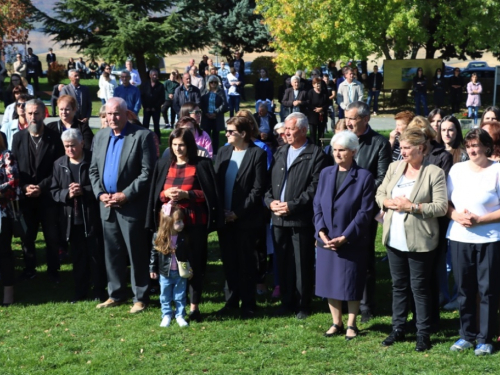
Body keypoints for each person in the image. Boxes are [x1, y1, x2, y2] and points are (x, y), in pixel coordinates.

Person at [376, 127, 448, 352]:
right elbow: (380, 193)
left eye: (407, 148)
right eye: (401, 147)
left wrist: (413, 207)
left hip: (421, 240)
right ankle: (398, 328)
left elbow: (441, 206)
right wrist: (388, 203)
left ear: (421, 148)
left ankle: (422, 333)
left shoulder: (433, 173)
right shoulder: (394, 167)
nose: (402, 151)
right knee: (399, 286)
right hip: (394, 237)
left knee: (420, 288)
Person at [89, 97, 157, 313]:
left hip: (131, 206)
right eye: (109, 114)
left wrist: (125, 195)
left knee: (136, 252)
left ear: (126, 113)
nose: (112, 118)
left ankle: (140, 297)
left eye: (117, 113)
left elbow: (148, 172)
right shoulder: (100, 137)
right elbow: (93, 170)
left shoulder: (142, 136)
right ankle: (116, 294)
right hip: (107, 206)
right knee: (112, 252)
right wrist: (100, 194)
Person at [146, 128, 222, 322]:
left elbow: (211, 195)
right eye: (174, 144)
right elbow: (156, 194)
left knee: (194, 263)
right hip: (169, 223)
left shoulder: (202, 165)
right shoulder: (164, 164)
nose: (178, 148)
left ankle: (194, 306)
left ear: (190, 145)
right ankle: (171, 308)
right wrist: (166, 194)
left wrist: (187, 194)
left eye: (182, 144)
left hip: (195, 222)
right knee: (171, 266)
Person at [264, 112, 328, 319]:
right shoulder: (280, 152)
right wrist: (270, 202)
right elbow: (268, 184)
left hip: (300, 219)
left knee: (302, 263)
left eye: (290, 129)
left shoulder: (316, 154)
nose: (286, 132)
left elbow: (315, 188)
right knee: (281, 262)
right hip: (278, 218)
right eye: (285, 129)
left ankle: (303, 304)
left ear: (302, 129)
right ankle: (286, 301)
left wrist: (292, 206)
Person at [314, 131, 375, 340]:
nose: (337, 154)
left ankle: (351, 324)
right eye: (335, 150)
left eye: (342, 150)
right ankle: (335, 322)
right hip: (326, 239)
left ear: (354, 152)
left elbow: (365, 212)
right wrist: (320, 230)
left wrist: (346, 236)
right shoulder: (326, 173)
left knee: (351, 281)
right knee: (329, 280)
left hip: (351, 240)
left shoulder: (364, 177)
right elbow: (318, 204)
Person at [447, 129, 500, 356]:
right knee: (464, 289)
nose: (472, 150)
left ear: (487, 147)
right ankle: (466, 335)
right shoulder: (457, 169)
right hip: (459, 237)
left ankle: (485, 338)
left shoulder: (497, 170)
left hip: (490, 238)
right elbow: (446, 202)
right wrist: (456, 216)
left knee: (487, 289)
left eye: (476, 145)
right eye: (469, 146)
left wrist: (480, 219)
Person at [214, 116, 268, 319]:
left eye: (230, 131)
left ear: (243, 134)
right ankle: (231, 301)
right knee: (229, 261)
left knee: (246, 261)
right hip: (224, 218)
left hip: (245, 219)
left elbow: (257, 189)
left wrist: (237, 213)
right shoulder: (224, 152)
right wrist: (222, 212)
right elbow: (217, 184)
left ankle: (248, 303)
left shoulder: (257, 154)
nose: (226, 134)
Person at [344, 101, 392, 322]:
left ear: (365, 119)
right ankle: (343, 298)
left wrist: (358, 192)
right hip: (341, 208)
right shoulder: (343, 140)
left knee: (364, 258)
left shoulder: (379, 143)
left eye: (352, 118)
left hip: (364, 208)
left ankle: (365, 306)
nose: (348, 122)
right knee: (342, 254)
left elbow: (382, 178)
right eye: (346, 117)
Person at [11, 99, 65, 281]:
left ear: (44, 114)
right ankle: (30, 269)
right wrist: (25, 186)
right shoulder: (18, 138)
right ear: (24, 114)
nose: (33, 117)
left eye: (37, 113)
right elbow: (15, 167)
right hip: (26, 196)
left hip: (48, 195)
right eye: (30, 113)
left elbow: (57, 168)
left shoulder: (54, 137)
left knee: (51, 235)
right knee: (28, 236)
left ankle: (53, 270)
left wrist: (41, 187)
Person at [50, 128, 107, 302]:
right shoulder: (59, 164)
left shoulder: (93, 160)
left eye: (73, 146)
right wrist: (67, 193)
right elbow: (54, 191)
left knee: (96, 255)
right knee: (78, 257)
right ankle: (80, 291)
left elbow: (102, 187)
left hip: (91, 216)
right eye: (66, 146)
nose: (70, 150)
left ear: (82, 143)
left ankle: (99, 290)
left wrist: (84, 191)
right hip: (71, 219)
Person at [150, 203, 192, 328]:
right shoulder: (158, 237)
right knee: (165, 295)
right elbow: (154, 254)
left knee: (180, 295)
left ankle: (180, 315)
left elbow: (189, 253)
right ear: (168, 223)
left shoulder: (183, 236)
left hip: (180, 272)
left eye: (182, 221)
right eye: (178, 222)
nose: (182, 224)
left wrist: (190, 268)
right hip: (165, 273)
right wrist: (152, 268)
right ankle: (167, 315)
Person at [0, 134, 21, 305]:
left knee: (3, 253)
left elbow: (13, 181)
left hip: (2, 212)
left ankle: (8, 292)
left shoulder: (5, 155)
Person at [200, 76, 227, 154]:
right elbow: (201, 103)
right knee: (206, 135)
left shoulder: (221, 91)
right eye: (212, 82)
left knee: (216, 136)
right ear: (208, 83)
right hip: (206, 117)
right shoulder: (205, 91)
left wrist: (215, 112)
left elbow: (224, 104)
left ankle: (215, 153)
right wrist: (206, 113)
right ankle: (207, 151)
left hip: (216, 117)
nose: (213, 84)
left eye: (215, 82)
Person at [141, 69, 165, 140]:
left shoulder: (160, 86)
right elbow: (142, 96)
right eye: (153, 75)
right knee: (145, 124)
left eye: (156, 75)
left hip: (156, 109)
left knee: (156, 126)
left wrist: (155, 107)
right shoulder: (145, 85)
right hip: (147, 109)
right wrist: (146, 106)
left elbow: (162, 98)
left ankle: (158, 140)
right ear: (150, 75)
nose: (155, 76)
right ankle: (144, 138)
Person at [306, 77, 329, 145]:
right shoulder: (310, 92)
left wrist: (322, 108)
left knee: (321, 133)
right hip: (313, 115)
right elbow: (308, 103)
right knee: (313, 133)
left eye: (319, 83)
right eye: (316, 84)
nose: (318, 85)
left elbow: (327, 103)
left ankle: (320, 146)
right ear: (313, 85)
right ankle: (313, 147)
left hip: (322, 114)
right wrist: (316, 109)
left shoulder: (325, 92)